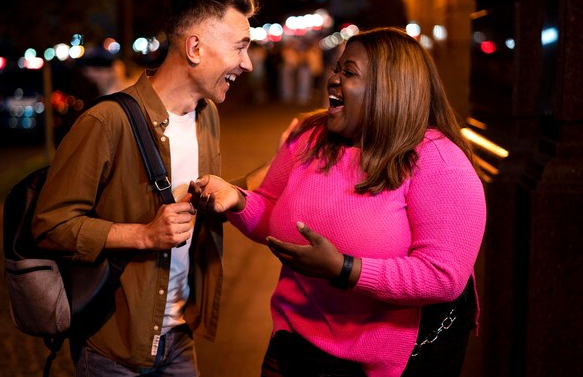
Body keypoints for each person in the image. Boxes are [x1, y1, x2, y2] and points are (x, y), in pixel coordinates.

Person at [192, 27, 486, 377]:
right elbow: (273, 211)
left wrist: (345, 269)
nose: (333, 79)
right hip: (296, 339)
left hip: (384, 362)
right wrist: (238, 202)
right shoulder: (311, 136)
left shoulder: (438, 160)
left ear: (388, 89)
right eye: (336, 69)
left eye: (349, 73)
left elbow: (443, 275)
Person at [32, 0, 258, 377]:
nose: (247, 62)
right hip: (113, 345)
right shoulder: (104, 122)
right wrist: (142, 235)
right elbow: (50, 225)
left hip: (179, 336)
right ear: (194, 47)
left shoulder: (209, 117)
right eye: (240, 47)